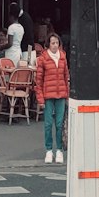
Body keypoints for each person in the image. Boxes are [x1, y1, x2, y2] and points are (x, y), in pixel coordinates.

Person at [35, 32, 68, 164]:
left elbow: (66, 77)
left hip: (61, 94)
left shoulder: (63, 57)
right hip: (48, 95)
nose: (55, 45)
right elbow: (39, 80)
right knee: (48, 124)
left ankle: (59, 150)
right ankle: (49, 150)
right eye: (52, 43)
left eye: (57, 43)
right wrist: (40, 99)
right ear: (48, 44)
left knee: (59, 124)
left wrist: (67, 95)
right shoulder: (43, 58)